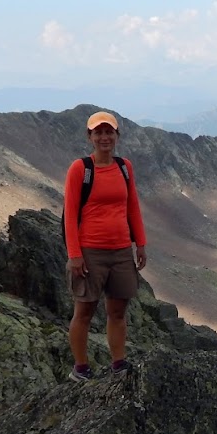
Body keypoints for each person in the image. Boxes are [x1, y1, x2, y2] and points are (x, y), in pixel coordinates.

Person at [63, 110, 148, 382]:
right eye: (98, 132)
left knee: (118, 312)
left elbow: (131, 205)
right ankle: (80, 368)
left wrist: (141, 243)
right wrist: (75, 256)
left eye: (108, 131)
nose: (104, 137)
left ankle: (118, 363)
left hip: (122, 250)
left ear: (116, 136)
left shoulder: (124, 167)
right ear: (89, 137)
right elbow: (70, 213)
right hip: (90, 252)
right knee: (84, 311)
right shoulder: (80, 169)